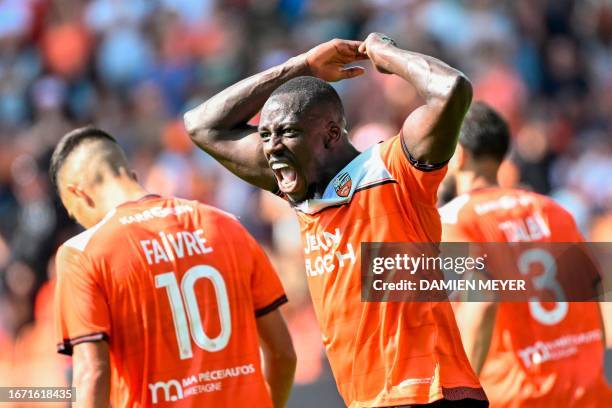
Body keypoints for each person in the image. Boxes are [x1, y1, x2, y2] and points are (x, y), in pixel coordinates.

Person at [184, 33, 487, 407]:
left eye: (288, 132)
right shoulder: (300, 189)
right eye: (265, 135)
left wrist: (385, 55)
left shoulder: (395, 169)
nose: (272, 146)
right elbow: (201, 125)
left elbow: (452, 89)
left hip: (431, 391)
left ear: (329, 135)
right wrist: (304, 66)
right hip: (366, 399)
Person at [50, 127, 296, 407]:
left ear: (79, 193)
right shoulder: (226, 225)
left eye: (75, 213)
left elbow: (92, 373)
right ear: (131, 176)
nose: (82, 223)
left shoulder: (82, 253)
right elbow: (283, 354)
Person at [439, 102, 612, 407]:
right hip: (587, 394)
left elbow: (482, 302)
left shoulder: (453, 221)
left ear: (460, 155)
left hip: (516, 395)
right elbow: (596, 298)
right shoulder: (556, 211)